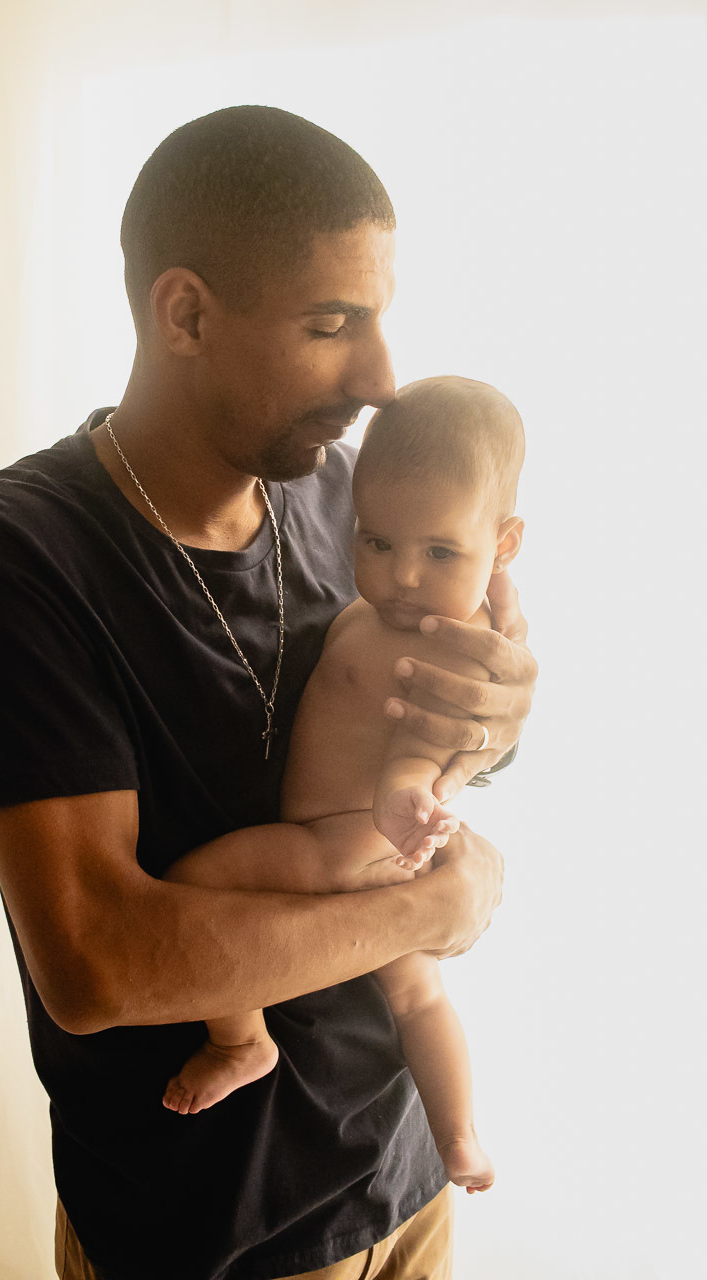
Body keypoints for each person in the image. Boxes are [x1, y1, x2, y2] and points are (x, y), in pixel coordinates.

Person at [0, 107, 536, 1280]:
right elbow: (96, 962)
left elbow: (445, 713)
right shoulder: (12, 552)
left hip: (404, 1184)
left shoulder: (347, 495)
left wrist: (499, 719)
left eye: (378, 315)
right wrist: (423, 913)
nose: (382, 374)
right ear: (185, 312)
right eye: (329, 322)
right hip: (213, 1237)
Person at [162, 376, 525, 1201]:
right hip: (376, 849)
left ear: (501, 545)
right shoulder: (421, 609)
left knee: (197, 885)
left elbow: (425, 738)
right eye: (376, 542)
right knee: (418, 996)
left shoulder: (441, 644)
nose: (400, 575)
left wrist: (405, 792)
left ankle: (239, 1041)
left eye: (440, 554)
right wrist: (495, 589)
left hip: (342, 838)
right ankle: (460, 1135)